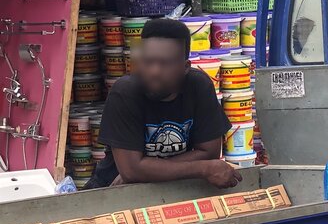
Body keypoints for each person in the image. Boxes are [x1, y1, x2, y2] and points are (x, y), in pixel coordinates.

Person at [87, 18, 241, 190]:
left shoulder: (199, 86)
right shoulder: (124, 92)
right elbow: (131, 172)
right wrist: (203, 168)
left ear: (185, 67)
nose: (155, 71)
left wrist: (146, 170)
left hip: (178, 188)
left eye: (165, 63)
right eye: (148, 62)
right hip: (112, 190)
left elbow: (210, 152)